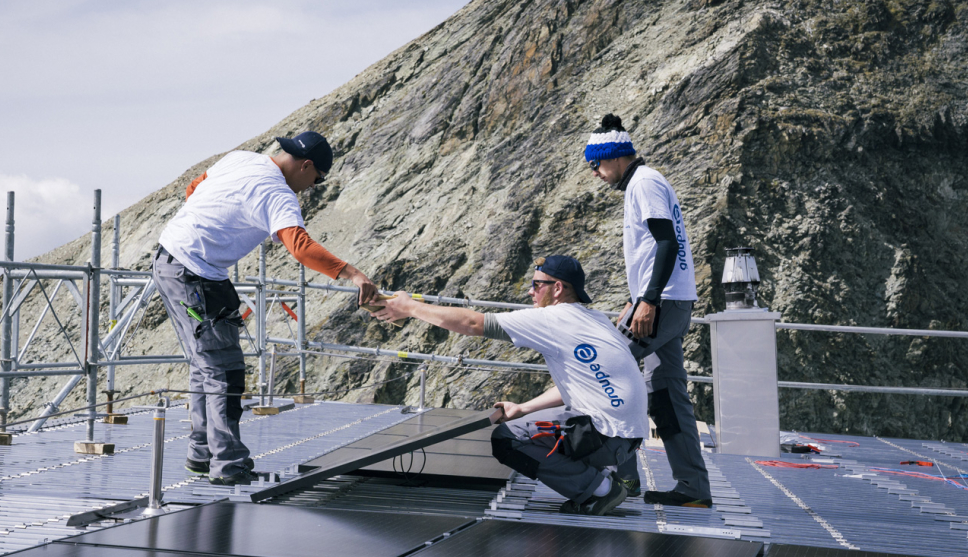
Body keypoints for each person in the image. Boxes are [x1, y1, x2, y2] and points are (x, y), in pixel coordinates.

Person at [154, 131, 378, 486]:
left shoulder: (241, 158)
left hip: (171, 261)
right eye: (317, 180)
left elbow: (194, 187)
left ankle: (202, 455)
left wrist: (212, 226)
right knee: (224, 370)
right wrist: (353, 273)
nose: (312, 187)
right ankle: (229, 467)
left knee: (205, 363)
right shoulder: (278, 194)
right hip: (195, 276)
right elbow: (300, 247)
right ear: (306, 166)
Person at [373, 255, 648, 515]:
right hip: (624, 439)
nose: (530, 291)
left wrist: (409, 307)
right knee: (528, 423)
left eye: (537, 285)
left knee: (508, 439)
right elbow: (584, 385)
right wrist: (524, 408)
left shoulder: (553, 318)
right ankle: (602, 476)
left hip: (604, 437)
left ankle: (600, 491)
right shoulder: (594, 318)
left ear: (557, 288)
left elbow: (471, 323)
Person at [586, 114, 712, 508]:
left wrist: (649, 300)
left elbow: (667, 243)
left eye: (595, 163)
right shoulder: (641, 184)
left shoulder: (644, 183)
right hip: (666, 299)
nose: (594, 173)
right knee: (667, 395)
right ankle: (693, 487)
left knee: (605, 368)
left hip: (663, 302)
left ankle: (624, 477)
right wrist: (638, 295)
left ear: (615, 156)